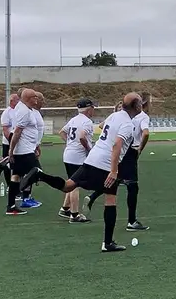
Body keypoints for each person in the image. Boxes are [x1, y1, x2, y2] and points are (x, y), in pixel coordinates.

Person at [19, 93, 144, 252]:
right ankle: (107, 243)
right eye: (140, 102)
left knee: (68, 186)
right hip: (105, 165)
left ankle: (40, 175)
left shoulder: (114, 115)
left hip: (92, 158)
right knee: (110, 200)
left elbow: (104, 129)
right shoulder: (127, 124)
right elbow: (117, 145)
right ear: (136, 106)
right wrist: (113, 171)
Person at [2, 88, 41, 215]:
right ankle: (19, 192)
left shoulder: (23, 108)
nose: (37, 99)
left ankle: (11, 206)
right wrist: (10, 151)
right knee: (37, 172)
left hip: (25, 148)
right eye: (35, 97)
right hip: (24, 150)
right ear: (29, 99)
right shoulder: (25, 111)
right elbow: (17, 132)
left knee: (16, 175)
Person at [57, 98, 97, 222]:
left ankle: (65, 208)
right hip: (78, 157)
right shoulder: (87, 122)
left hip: (68, 154)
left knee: (71, 181)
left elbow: (62, 132)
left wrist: (70, 143)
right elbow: (82, 137)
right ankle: (74, 215)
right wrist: (89, 149)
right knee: (75, 185)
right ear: (89, 109)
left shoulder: (73, 119)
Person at [118, 92, 151, 231]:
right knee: (132, 186)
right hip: (130, 150)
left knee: (116, 179)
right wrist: (140, 149)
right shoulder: (143, 116)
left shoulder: (120, 115)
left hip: (120, 150)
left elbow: (102, 126)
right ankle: (131, 221)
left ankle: (93, 196)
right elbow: (146, 133)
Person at [0, 93, 20, 204]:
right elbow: (5, 130)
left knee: (17, 164)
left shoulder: (20, 111)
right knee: (7, 164)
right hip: (8, 142)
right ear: (11, 101)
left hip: (18, 142)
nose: (19, 101)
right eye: (17, 100)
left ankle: (17, 186)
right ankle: (9, 185)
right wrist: (11, 141)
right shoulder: (7, 113)